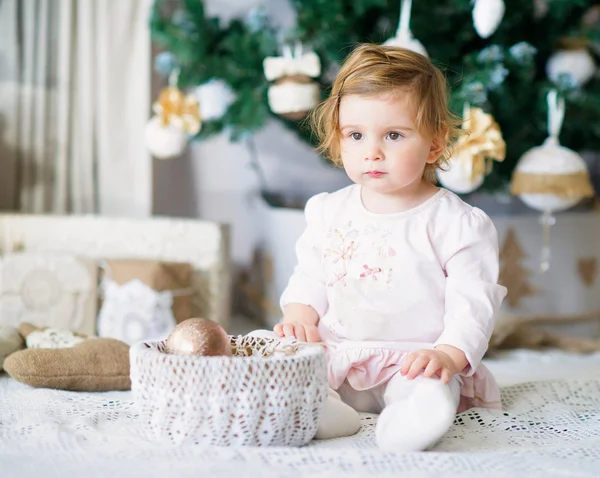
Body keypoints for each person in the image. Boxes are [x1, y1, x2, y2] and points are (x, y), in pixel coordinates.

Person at [270, 43, 507, 452]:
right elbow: (310, 276)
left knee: (429, 386)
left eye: (393, 135)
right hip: (339, 357)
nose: (371, 151)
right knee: (278, 354)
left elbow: (473, 304)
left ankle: (410, 420)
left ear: (434, 144)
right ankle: (323, 409)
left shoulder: (456, 223)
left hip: (414, 361)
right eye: (356, 135)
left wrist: (448, 357)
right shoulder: (329, 211)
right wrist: (298, 316)